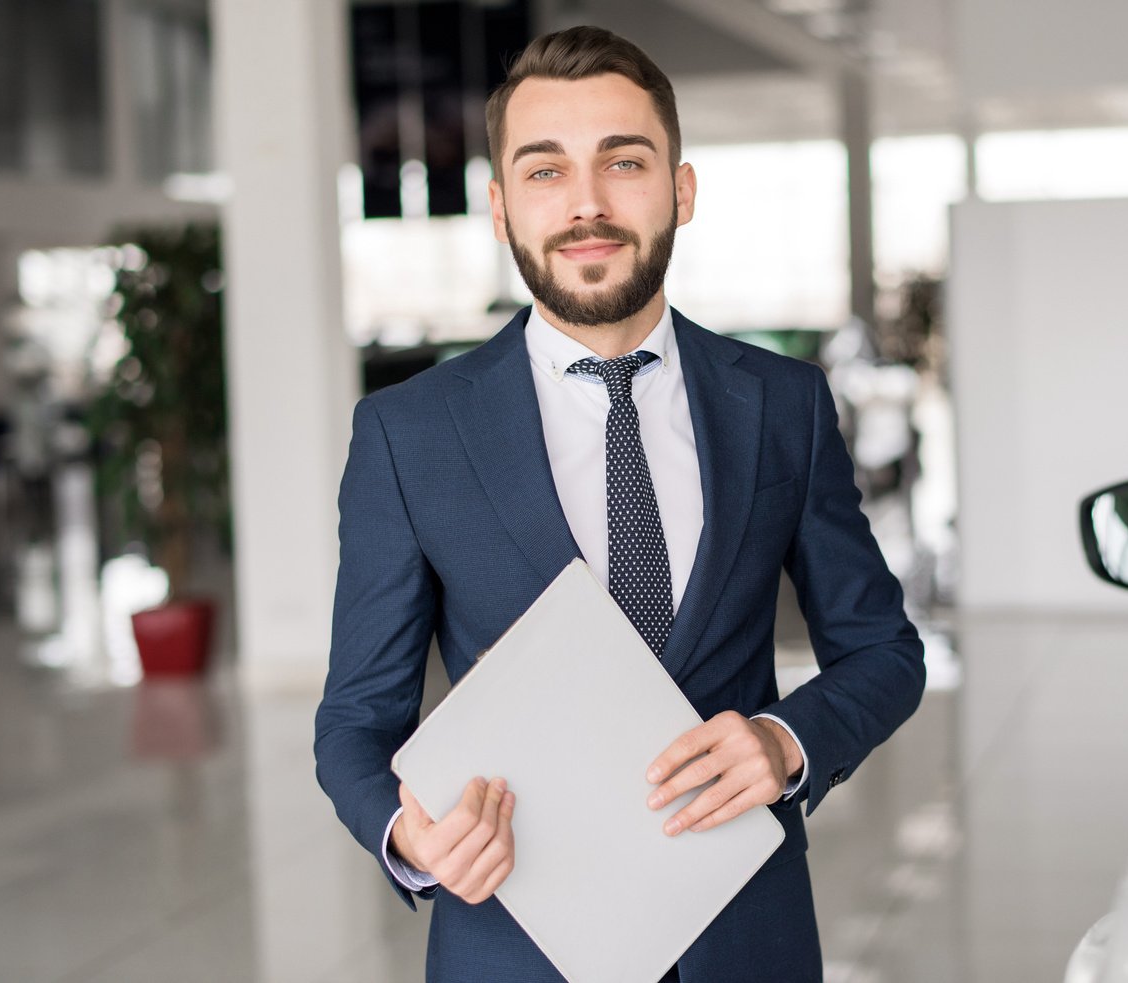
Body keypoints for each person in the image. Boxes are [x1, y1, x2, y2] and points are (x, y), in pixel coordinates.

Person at [314, 25, 925, 983]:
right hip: (514, 936)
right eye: (545, 171)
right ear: (500, 206)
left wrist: (786, 739)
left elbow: (886, 651)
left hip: (745, 935)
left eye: (624, 162)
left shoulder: (780, 404)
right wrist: (411, 837)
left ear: (680, 190)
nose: (587, 204)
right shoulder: (410, 433)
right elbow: (356, 718)